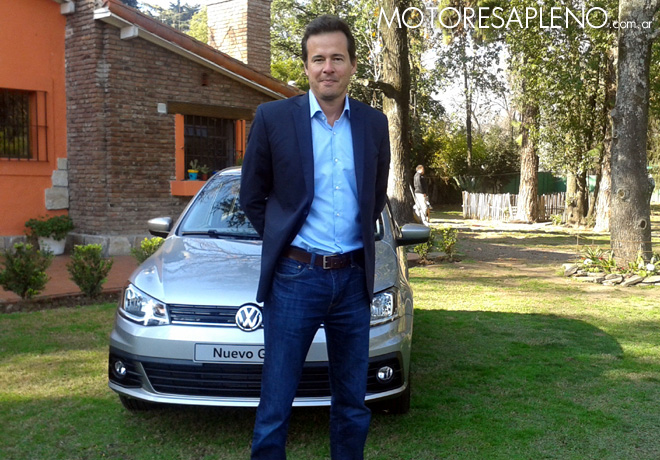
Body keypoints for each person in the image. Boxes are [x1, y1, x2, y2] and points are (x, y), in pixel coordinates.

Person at [239, 14, 391, 460]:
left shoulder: (374, 123)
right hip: (295, 278)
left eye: (337, 58)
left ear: (352, 66)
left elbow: (375, 194)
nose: (328, 67)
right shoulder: (273, 118)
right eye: (318, 58)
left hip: (353, 281)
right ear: (305, 66)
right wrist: (282, 242)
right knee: (276, 401)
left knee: (352, 402)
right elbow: (252, 196)